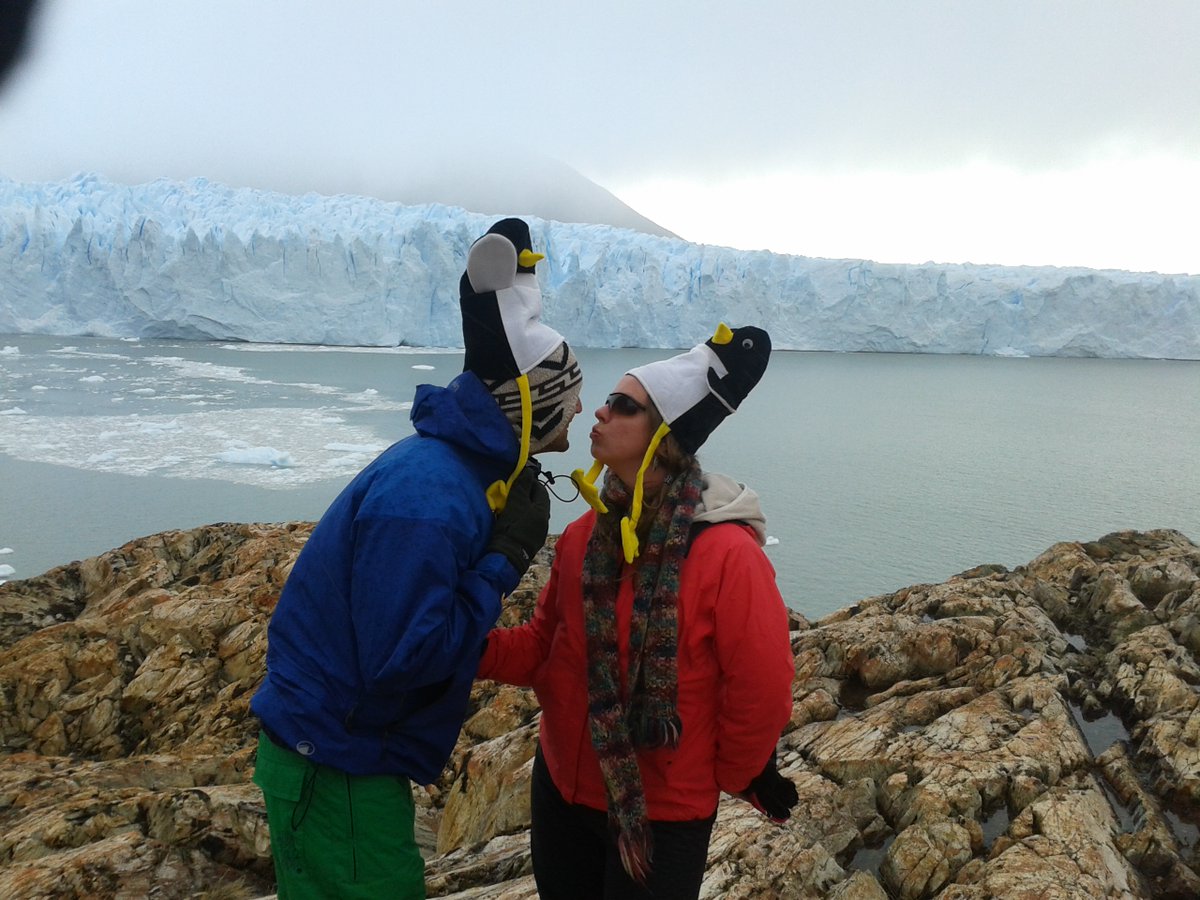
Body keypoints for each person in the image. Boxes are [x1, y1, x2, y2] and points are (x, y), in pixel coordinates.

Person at [251, 217, 583, 899]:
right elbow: (404, 656)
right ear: (530, 404)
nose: (583, 407)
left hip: (341, 756)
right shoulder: (431, 496)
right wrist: (503, 561)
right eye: (569, 392)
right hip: (336, 763)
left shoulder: (458, 475)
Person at [478, 323, 797, 900]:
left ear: (663, 436)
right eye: (606, 401)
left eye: (622, 406)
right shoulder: (584, 536)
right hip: (562, 792)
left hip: (663, 816)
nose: (597, 413)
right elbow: (543, 647)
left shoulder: (727, 555)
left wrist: (730, 775)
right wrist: (460, 644)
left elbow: (763, 686)